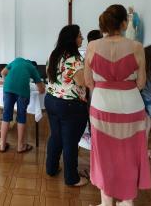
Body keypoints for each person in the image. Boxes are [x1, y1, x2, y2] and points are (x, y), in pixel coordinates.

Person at [84, 4, 151, 206]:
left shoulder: (93, 46)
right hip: (131, 104)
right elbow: (141, 83)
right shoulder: (137, 46)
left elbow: (88, 82)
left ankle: (106, 203)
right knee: (129, 154)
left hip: (102, 104)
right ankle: (127, 201)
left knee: (104, 154)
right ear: (124, 23)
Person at [45, 25, 89, 186]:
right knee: (70, 141)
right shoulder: (75, 59)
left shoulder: (54, 54)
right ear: (72, 39)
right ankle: (72, 178)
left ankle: (51, 168)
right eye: (79, 36)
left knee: (56, 136)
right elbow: (82, 81)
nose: (82, 39)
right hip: (70, 105)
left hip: (51, 100)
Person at [0, 58, 45, 153]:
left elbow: (3, 72)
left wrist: (7, 82)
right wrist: (41, 87)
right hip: (22, 92)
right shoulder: (32, 67)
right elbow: (41, 90)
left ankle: (2, 145)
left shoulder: (16, 60)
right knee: (21, 116)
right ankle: (20, 146)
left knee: (6, 116)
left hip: (8, 89)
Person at [79, 29, 103, 150]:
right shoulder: (99, 52)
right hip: (96, 90)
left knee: (92, 115)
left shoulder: (86, 53)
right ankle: (96, 139)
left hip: (92, 90)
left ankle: (93, 137)